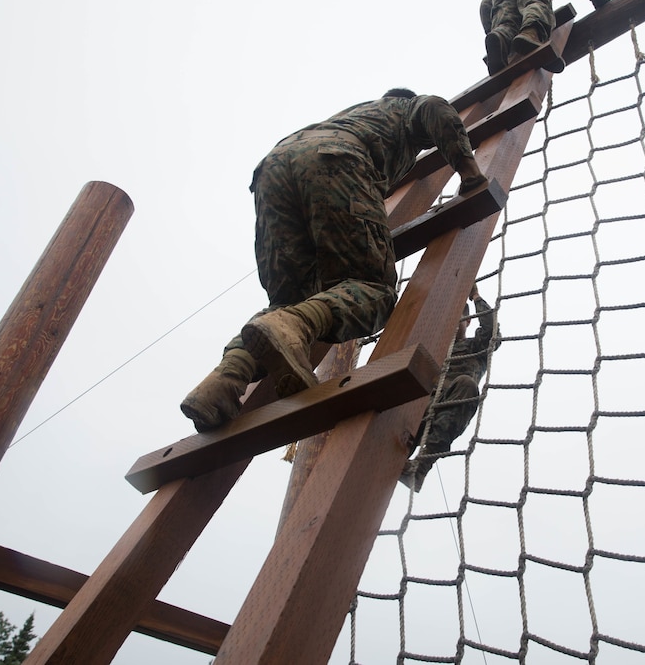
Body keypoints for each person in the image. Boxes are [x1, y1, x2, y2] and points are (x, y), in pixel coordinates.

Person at [180, 88, 488, 432]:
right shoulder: (404, 109)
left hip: (272, 171)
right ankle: (294, 327)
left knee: (288, 303)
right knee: (372, 290)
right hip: (335, 159)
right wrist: (470, 171)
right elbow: (434, 108)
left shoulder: (358, 115)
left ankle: (223, 382)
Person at [399, 284, 500, 492]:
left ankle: (421, 467)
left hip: (446, 407)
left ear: (467, 321)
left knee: (466, 385)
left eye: (458, 317)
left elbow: (491, 331)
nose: (452, 323)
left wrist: (475, 296)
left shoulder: (474, 347)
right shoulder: (432, 350)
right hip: (415, 407)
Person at [480, 0, 610, 75]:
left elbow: (486, 5)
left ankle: (501, 37)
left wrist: (492, 33)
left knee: (507, 22)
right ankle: (532, 34)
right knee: (536, 3)